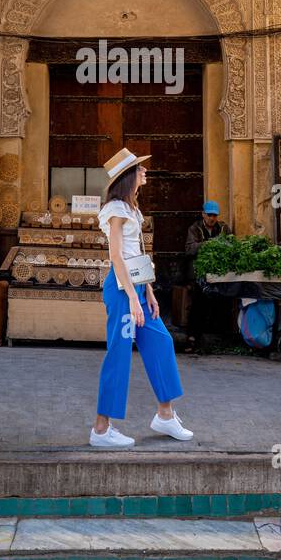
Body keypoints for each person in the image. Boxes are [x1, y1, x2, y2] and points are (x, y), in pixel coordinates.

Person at [90, 147, 193, 449]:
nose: (145, 172)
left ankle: (165, 413)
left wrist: (147, 291)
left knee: (161, 340)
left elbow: (137, 254)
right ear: (128, 175)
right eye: (140, 168)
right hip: (121, 290)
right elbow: (117, 257)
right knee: (119, 353)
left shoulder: (132, 208)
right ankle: (101, 428)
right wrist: (132, 299)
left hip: (135, 288)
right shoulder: (116, 210)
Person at [184, 199, 231, 347]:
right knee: (199, 304)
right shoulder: (194, 228)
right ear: (203, 214)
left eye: (215, 216)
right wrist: (207, 244)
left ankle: (220, 337)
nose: (212, 218)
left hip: (219, 273)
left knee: (222, 303)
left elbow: (232, 245)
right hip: (200, 273)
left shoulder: (224, 229)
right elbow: (189, 249)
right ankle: (192, 336)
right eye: (209, 215)